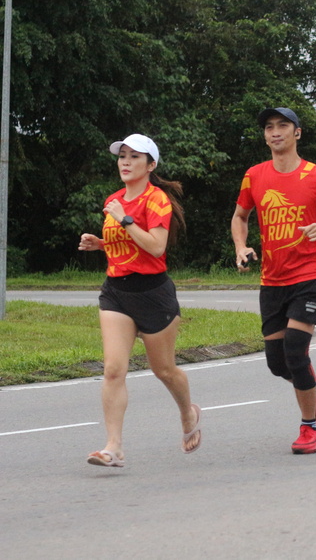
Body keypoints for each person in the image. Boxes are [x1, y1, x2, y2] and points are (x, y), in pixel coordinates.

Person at [231, 107, 316, 455]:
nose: (275, 132)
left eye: (282, 126)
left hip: (309, 275)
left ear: (297, 132)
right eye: (269, 127)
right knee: (277, 363)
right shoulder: (254, 176)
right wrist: (241, 246)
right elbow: (240, 216)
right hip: (272, 279)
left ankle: (308, 427)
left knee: (295, 351)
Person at [78, 134, 201, 467]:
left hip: (153, 294)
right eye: (122, 156)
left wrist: (124, 219)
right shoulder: (114, 199)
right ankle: (114, 447)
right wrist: (101, 243)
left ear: (151, 165)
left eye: (134, 156)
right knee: (113, 369)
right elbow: (128, 243)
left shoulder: (156, 199)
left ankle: (187, 413)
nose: (126, 162)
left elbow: (156, 247)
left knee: (164, 370)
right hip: (116, 292)